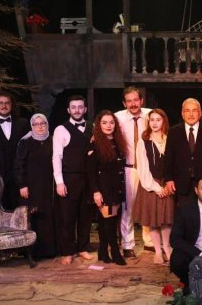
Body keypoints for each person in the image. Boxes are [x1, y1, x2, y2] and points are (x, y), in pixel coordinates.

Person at [52, 95, 92, 265]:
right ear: (68, 110)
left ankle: (83, 248)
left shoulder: (92, 127)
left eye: (80, 107)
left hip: (88, 179)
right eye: (73, 107)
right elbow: (56, 157)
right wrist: (59, 182)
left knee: (85, 216)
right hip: (69, 178)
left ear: (85, 109)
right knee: (67, 217)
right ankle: (67, 251)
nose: (77, 110)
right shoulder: (61, 129)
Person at [132, 109, 175, 265]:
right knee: (153, 220)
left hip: (167, 183)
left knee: (166, 220)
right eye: (152, 120)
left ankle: (167, 248)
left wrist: (169, 183)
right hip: (151, 184)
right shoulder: (144, 141)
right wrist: (156, 188)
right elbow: (143, 168)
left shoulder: (170, 138)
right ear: (148, 122)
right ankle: (157, 251)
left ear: (164, 121)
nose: (155, 123)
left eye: (158, 119)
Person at [114, 86, 153, 259]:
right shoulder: (118, 118)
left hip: (148, 169)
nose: (133, 104)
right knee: (127, 208)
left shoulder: (151, 115)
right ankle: (128, 245)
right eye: (129, 101)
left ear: (141, 100)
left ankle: (149, 242)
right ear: (124, 103)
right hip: (129, 168)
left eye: (136, 100)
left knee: (148, 206)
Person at [164, 98, 202, 207]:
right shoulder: (173, 132)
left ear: (200, 113)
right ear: (182, 114)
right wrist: (169, 179)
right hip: (181, 184)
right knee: (185, 214)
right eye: (187, 111)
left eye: (194, 110)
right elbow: (169, 158)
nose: (191, 114)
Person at [87, 110, 128, 266]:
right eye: (104, 123)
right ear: (99, 125)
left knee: (108, 221)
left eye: (111, 122)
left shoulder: (118, 142)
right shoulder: (95, 143)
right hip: (103, 189)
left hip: (117, 187)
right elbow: (91, 172)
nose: (108, 125)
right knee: (109, 222)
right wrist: (96, 192)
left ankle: (103, 251)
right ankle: (115, 252)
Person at [14, 113, 57, 260]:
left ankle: (50, 250)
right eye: (36, 124)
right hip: (30, 187)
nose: (40, 127)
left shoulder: (52, 140)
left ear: (47, 124)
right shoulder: (25, 142)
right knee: (34, 217)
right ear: (32, 126)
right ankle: (33, 252)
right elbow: (19, 164)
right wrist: (22, 184)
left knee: (48, 216)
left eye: (42, 123)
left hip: (48, 186)